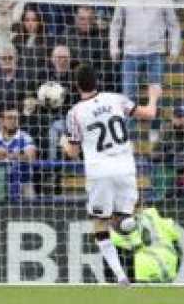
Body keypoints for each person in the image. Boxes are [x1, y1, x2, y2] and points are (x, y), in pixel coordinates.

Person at [62, 62, 161, 286]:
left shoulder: (75, 112)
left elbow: (73, 152)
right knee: (123, 219)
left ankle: (120, 275)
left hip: (100, 171)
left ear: (77, 86)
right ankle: (129, 224)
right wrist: (153, 96)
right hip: (126, 167)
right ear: (97, 81)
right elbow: (149, 113)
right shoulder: (117, 99)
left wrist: (63, 141)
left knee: (100, 223)